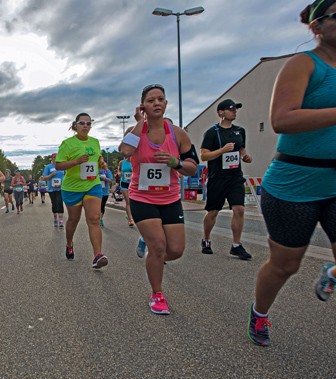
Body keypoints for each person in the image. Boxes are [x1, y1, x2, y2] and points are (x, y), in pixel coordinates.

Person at [248, 1, 336, 347]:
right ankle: (259, 311)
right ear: (317, 26)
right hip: (294, 184)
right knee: (286, 265)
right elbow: (282, 120)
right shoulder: (304, 64)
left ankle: (330, 272)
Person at [119, 84, 199, 315]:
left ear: (166, 104)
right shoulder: (135, 133)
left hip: (170, 198)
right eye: (151, 100)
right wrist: (138, 123)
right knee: (159, 247)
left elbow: (192, 167)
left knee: (175, 250)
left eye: (160, 99)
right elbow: (125, 152)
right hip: (142, 197)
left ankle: (148, 247)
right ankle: (157, 294)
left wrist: (175, 163)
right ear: (142, 106)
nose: (156, 103)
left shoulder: (178, 133)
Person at [200, 98, 253, 260]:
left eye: (236, 109)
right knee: (213, 212)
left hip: (235, 176)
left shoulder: (240, 131)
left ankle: (236, 245)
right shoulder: (212, 132)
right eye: (231, 109)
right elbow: (204, 155)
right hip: (218, 177)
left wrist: (245, 156)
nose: (234, 111)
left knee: (239, 209)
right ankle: (206, 239)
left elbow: (241, 148)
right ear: (221, 113)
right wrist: (221, 150)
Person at [55, 113, 108, 269]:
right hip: (72, 188)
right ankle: (69, 243)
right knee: (73, 220)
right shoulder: (67, 144)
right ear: (75, 126)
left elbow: (97, 160)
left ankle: (97, 255)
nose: (85, 125)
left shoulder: (95, 142)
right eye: (82, 123)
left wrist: (101, 163)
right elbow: (59, 165)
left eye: (88, 123)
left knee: (94, 219)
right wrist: (77, 161)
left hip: (93, 185)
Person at [41, 153, 65, 227]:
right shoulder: (48, 167)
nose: (56, 159)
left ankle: (61, 220)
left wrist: (61, 184)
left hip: (60, 188)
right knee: (54, 203)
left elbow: (66, 176)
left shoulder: (62, 166)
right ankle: (55, 219)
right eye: (54, 158)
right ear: (52, 159)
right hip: (52, 189)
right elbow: (44, 178)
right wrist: (51, 175)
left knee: (60, 202)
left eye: (58, 158)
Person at [98, 156, 114, 228]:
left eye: (103, 161)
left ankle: (100, 219)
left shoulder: (107, 171)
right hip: (96, 192)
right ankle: (96, 219)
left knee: (102, 206)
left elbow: (111, 181)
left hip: (104, 192)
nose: (102, 162)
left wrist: (105, 178)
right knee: (96, 207)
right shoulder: (95, 170)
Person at [119, 156, 135, 227]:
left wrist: (133, 172)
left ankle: (130, 215)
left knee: (133, 201)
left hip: (134, 183)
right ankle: (130, 219)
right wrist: (119, 173)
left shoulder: (136, 160)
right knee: (128, 202)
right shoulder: (122, 162)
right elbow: (119, 171)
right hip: (124, 183)